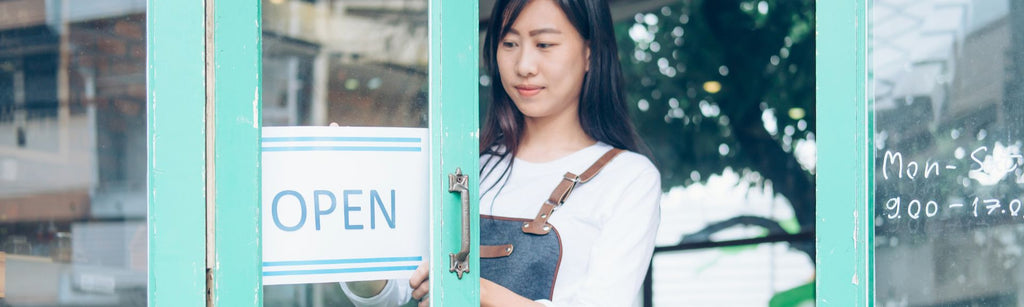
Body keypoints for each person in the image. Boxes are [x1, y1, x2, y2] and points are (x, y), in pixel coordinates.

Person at [341, 0, 661, 305]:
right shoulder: (465, 165)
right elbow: (397, 288)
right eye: (509, 44)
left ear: (591, 52)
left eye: (544, 44)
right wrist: (346, 207)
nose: (524, 66)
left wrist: (469, 288)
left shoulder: (628, 178)